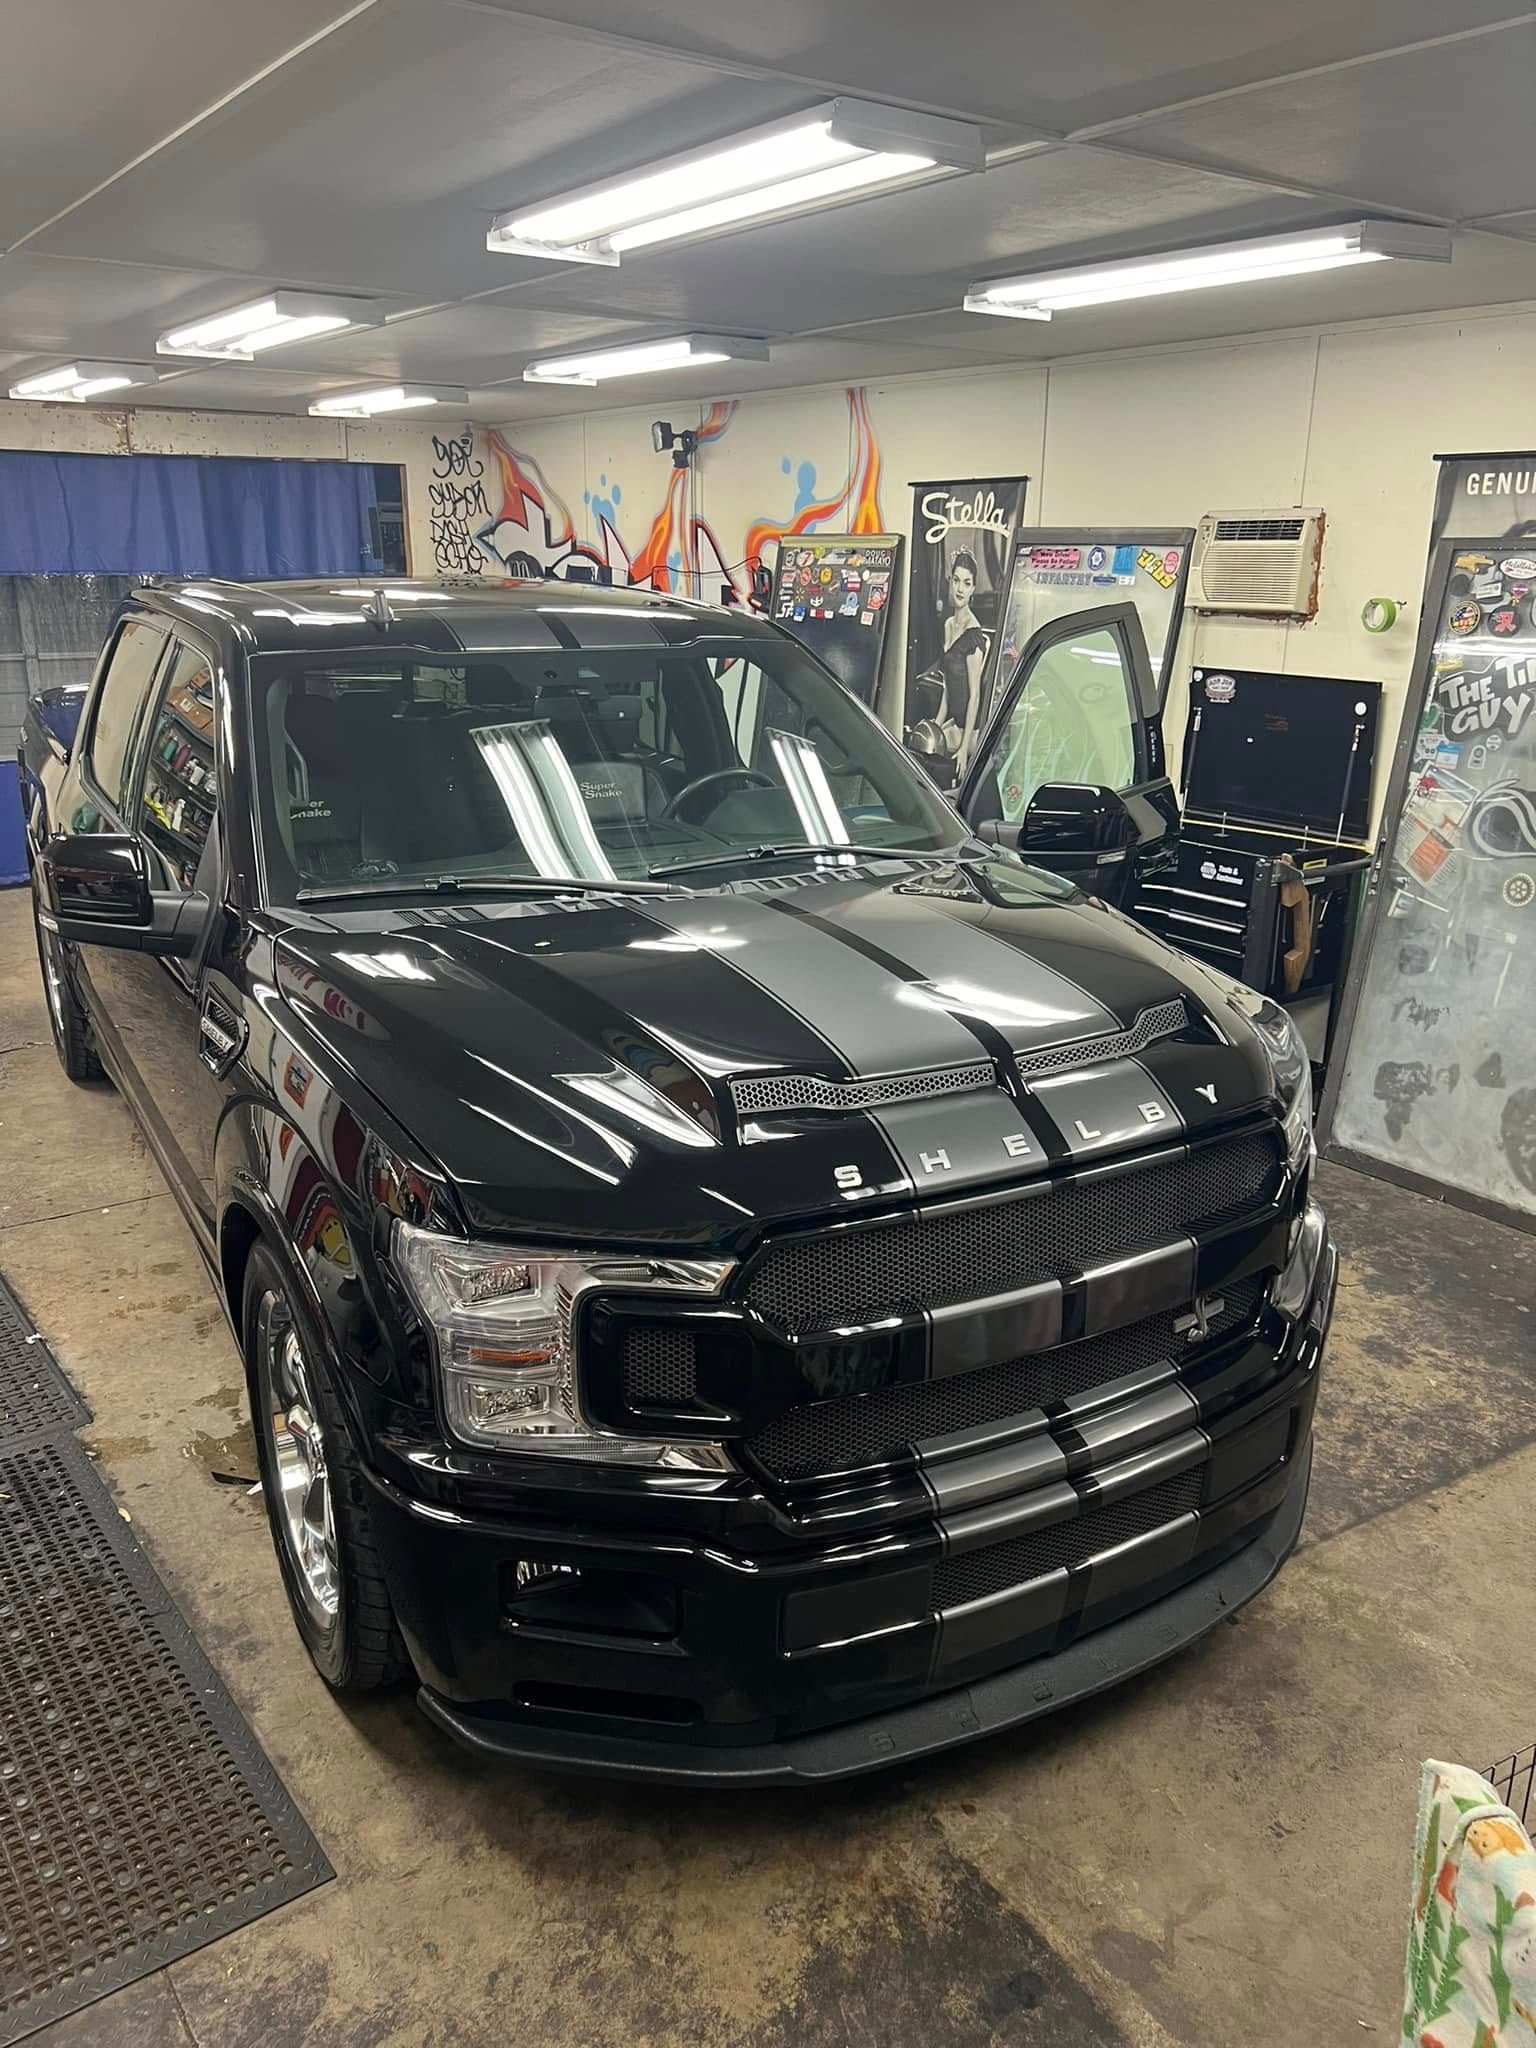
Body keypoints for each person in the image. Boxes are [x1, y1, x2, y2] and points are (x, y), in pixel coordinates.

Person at [933, 548, 989, 773]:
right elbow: (949, 686)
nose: (960, 589)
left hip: (971, 732)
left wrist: (965, 749)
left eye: (966, 583)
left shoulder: (973, 635)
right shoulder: (948, 625)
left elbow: (975, 696)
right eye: (956, 580)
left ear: (973, 588)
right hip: (954, 724)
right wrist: (936, 725)